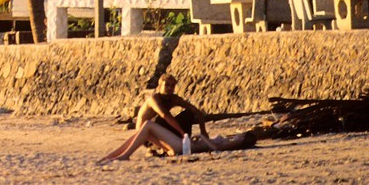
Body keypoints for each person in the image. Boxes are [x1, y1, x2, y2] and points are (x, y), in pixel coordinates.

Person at [98, 73, 255, 163]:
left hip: (163, 132)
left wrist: (203, 131)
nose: (170, 88)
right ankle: (117, 155)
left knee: (187, 114)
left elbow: (197, 112)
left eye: (173, 86)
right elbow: (165, 116)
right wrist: (182, 133)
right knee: (148, 124)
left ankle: (119, 156)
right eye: (167, 85)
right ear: (159, 86)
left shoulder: (174, 99)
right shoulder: (154, 98)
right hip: (147, 135)